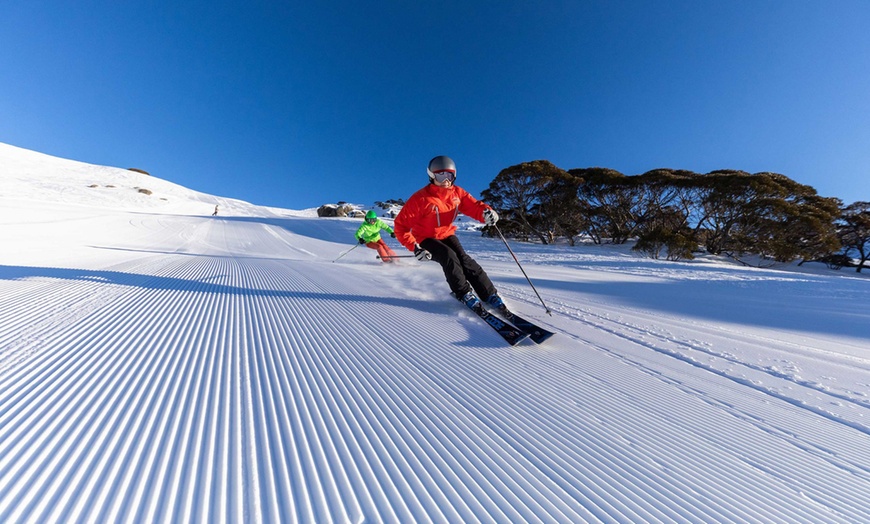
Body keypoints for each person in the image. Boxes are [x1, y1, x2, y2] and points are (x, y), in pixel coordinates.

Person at [393, 155, 502, 310]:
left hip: (447, 234)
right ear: (432, 176)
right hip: (426, 238)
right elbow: (400, 226)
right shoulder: (421, 199)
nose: (445, 179)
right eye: (440, 175)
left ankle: (489, 294)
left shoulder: (457, 193)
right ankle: (463, 293)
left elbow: (474, 206)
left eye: (449, 175)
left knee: (464, 259)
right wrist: (415, 248)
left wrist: (487, 213)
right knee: (448, 257)